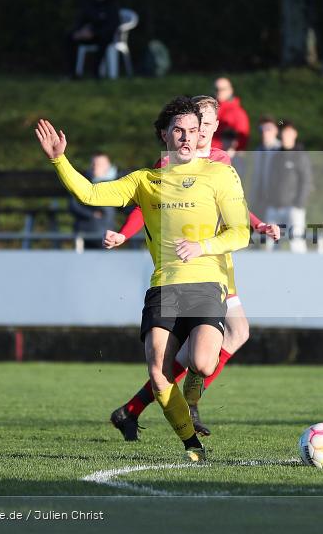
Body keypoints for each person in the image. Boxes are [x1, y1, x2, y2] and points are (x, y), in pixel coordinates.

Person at [35, 96, 250, 462]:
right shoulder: (145, 181)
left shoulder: (220, 174)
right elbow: (90, 194)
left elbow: (240, 233)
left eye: (193, 130)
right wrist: (59, 160)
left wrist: (203, 246)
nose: (186, 137)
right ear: (164, 134)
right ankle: (192, 447)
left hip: (206, 282)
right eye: (178, 130)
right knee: (158, 372)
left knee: (203, 363)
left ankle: (188, 402)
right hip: (164, 285)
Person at [106, 96, 280, 440]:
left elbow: (235, 205)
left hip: (216, 260)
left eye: (211, 125)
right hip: (186, 266)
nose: (205, 132)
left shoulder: (219, 160)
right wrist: (125, 233)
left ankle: (138, 408)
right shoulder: (171, 161)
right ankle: (178, 403)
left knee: (221, 340)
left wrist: (257, 225)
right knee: (218, 340)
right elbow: (146, 200)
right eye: (203, 125)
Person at [265, 121, 313, 253]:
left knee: (296, 244)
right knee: (271, 245)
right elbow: (270, 180)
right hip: (274, 207)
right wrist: (270, 201)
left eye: (288, 132)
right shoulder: (276, 156)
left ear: (295, 134)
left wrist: (298, 204)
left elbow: (306, 181)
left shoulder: (300, 156)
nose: (285, 136)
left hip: (293, 208)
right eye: (283, 132)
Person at [65, 0, 120, 78]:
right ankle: (71, 72)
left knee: (104, 39)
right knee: (69, 37)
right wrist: (78, 32)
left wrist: (94, 33)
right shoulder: (89, 3)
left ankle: (95, 72)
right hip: (87, 34)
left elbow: (112, 26)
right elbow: (80, 20)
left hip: (103, 35)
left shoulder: (112, 5)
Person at [68, 152, 117, 249]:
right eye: (93, 164)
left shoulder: (117, 184)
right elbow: (73, 205)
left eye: (99, 164)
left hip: (107, 235)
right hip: (85, 232)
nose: (95, 167)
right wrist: (91, 214)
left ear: (108, 166)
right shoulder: (82, 182)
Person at [250, 116, 283, 213]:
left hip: (277, 200)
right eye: (262, 129)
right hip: (259, 199)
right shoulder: (258, 150)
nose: (264, 132)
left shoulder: (282, 150)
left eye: (268, 129)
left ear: (276, 130)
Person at [212, 77, 251, 155]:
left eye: (223, 89)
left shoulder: (238, 113)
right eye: (216, 89)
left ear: (230, 90)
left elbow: (242, 140)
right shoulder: (211, 110)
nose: (219, 92)